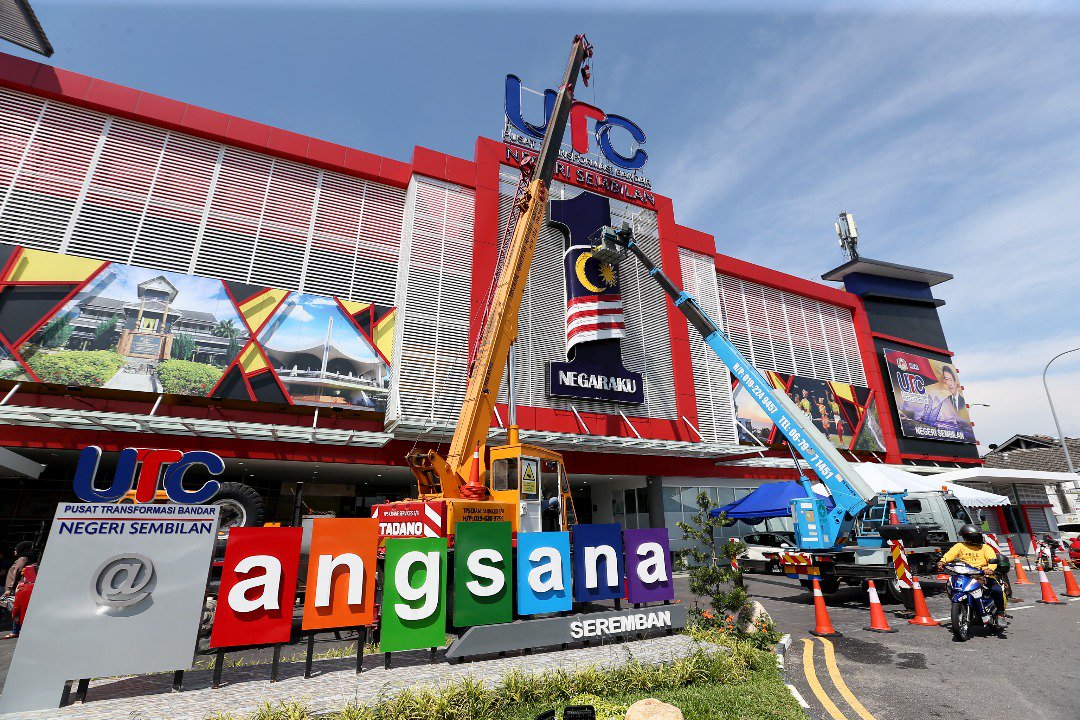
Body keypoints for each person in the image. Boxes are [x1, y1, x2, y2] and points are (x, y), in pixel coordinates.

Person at [937, 524, 1006, 620]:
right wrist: (943, 561)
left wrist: (989, 569)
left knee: (997, 589)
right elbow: (950, 555)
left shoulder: (985, 547)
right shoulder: (959, 546)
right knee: (952, 585)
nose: (978, 538)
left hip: (983, 575)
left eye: (978, 536)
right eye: (975, 536)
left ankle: (1000, 613)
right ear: (967, 537)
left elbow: (992, 560)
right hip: (965, 575)